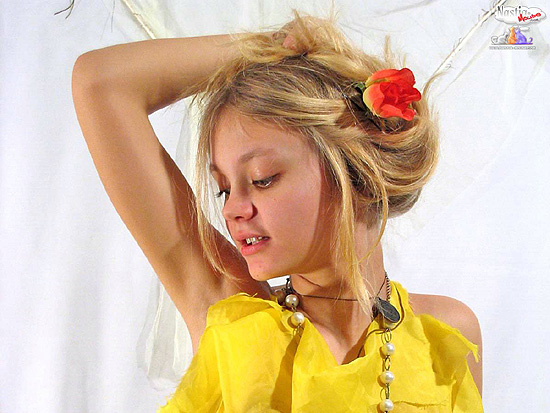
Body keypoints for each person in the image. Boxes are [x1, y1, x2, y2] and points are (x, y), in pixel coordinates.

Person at [72, 13, 483, 412]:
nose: (232, 208)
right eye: (223, 188)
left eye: (262, 178)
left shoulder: (446, 336)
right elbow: (102, 83)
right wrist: (272, 48)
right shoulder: (232, 317)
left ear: (356, 170)